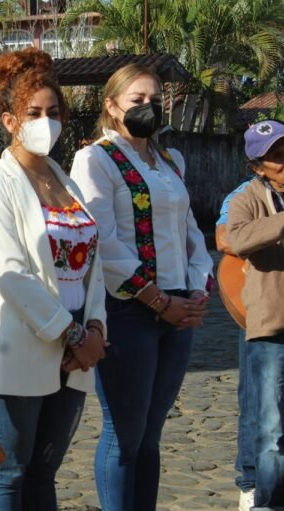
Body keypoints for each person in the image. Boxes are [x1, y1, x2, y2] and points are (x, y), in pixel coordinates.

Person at [0, 48, 108, 510]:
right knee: (9, 472)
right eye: (33, 113)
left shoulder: (63, 181)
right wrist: (69, 335)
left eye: (53, 112)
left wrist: (97, 329)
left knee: (45, 472)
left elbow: (93, 259)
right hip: (20, 347)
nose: (44, 121)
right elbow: (11, 274)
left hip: (76, 346)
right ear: (9, 120)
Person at [70, 64, 213, 511]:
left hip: (179, 308)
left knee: (152, 435)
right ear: (112, 107)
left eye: (154, 100)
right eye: (136, 101)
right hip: (129, 309)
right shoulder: (97, 159)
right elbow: (101, 238)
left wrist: (198, 286)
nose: (147, 108)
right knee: (125, 433)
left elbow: (188, 228)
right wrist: (156, 298)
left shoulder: (171, 160)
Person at [226, 119, 284, 509]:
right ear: (257, 166)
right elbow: (236, 238)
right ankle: (266, 501)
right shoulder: (246, 198)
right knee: (271, 428)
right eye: (276, 158)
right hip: (271, 327)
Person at [215, 179, 256, 511]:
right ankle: (251, 481)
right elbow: (225, 237)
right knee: (257, 397)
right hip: (266, 308)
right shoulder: (245, 194)